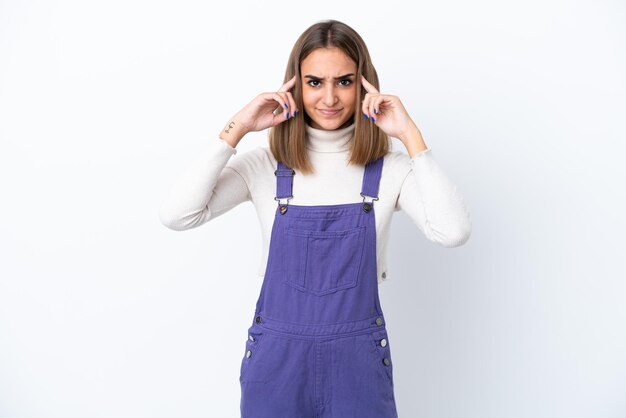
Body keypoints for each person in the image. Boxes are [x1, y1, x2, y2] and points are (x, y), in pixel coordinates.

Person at [159, 19, 471, 418]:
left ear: (364, 86)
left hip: (356, 369)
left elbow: (453, 231)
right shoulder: (267, 166)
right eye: (314, 82)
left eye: (344, 81)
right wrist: (237, 128)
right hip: (278, 368)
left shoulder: (389, 169)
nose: (329, 97)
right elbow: (177, 215)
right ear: (294, 85)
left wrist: (410, 136)